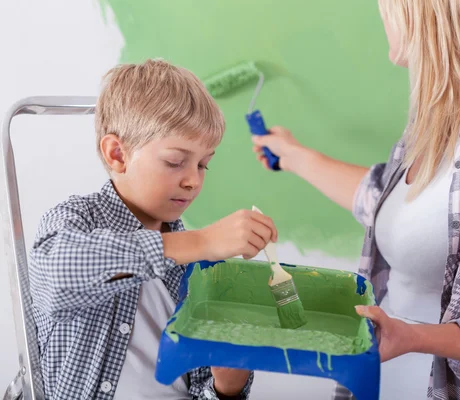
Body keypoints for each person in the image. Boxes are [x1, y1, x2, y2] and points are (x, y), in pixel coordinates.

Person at [251, 0, 460, 399]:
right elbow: (387, 206)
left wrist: (412, 336)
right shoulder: (427, 132)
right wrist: (294, 156)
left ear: (427, 14)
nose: (381, 14)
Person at [29, 59, 278, 400]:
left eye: (204, 164)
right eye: (176, 161)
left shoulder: (197, 266)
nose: (193, 180)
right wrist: (200, 240)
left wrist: (229, 383)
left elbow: (204, 386)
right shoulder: (77, 219)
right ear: (117, 154)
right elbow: (56, 278)